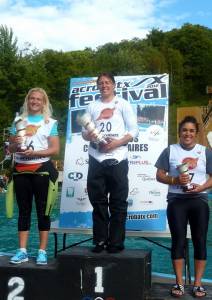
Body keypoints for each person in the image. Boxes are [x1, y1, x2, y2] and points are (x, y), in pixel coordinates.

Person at [155, 116, 212, 298]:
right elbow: (159, 175)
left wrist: (201, 187)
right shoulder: (170, 151)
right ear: (179, 132)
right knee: (178, 241)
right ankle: (179, 283)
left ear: (196, 133)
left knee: (200, 241)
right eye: (184, 130)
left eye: (191, 131)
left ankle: (197, 284)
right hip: (177, 201)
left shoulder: (205, 152)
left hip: (199, 200)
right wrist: (175, 180)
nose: (188, 134)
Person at [82, 73, 138, 253]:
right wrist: (88, 135)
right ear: (97, 86)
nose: (104, 85)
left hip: (118, 157)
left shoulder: (123, 104)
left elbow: (133, 131)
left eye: (107, 82)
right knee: (98, 202)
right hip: (96, 157)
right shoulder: (92, 105)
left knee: (118, 202)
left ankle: (115, 242)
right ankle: (99, 241)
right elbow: (84, 132)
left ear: (114, 85)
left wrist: (116, 143)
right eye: (101, 83)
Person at [8, 87, 60, 265]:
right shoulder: (18, 121)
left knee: (43, 211)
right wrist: (13, 144)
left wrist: (36, 153)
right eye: (32, 99)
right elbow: (11, 149)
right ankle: (22, 250)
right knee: (23, 211)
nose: (35, 102)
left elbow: (55, 149)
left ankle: (42, 251)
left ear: (44, 102)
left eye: (38, 99)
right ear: (27, 101)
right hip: (21, 169)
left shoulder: (50, 122)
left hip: (42, 170)